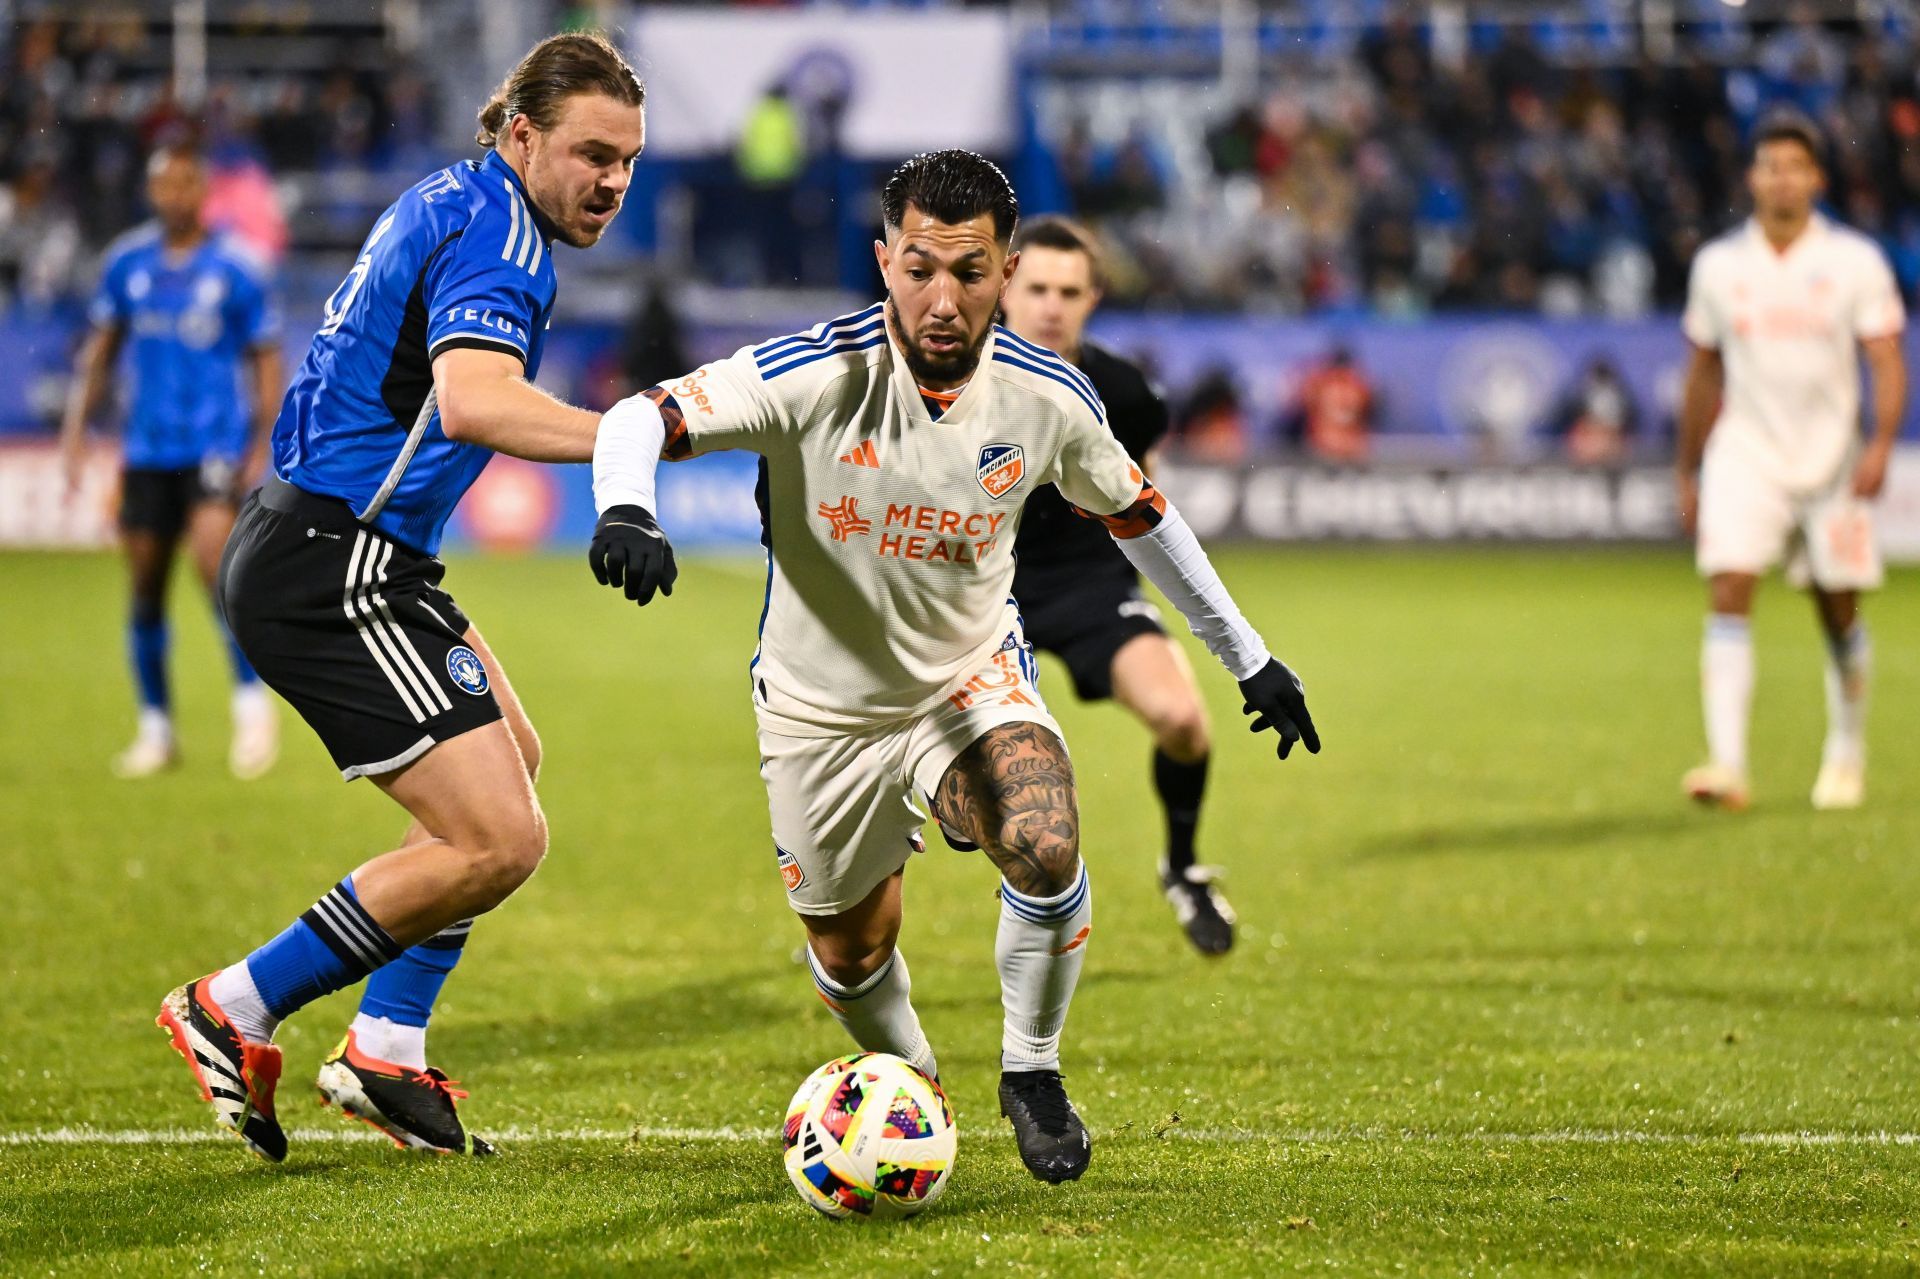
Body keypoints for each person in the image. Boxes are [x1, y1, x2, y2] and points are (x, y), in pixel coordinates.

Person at [590, 151, 1319, 1184]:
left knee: (1041, 833)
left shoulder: (1048, 397)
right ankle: (914, 1079)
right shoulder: (815, 372)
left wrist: (1249, 658)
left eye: (971, 273)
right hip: (818, 713)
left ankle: (1032, 1069)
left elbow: (1143, 518)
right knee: (851, 952)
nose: (944, 298)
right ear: (885, 259)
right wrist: (627, 505)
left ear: (1006, 269)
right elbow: (637, 417)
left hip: (966, 679)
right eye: (921, 267)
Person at [154, 32, 668, 1162]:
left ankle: (384, 1042)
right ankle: (232, 1005)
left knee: (511, 768)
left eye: (628, 160)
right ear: (522, 134)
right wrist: (638, 439)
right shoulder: (502, 238)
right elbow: (478, 400)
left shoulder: (463, 197)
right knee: (498, 838)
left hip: (354, 550)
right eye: (592, 153)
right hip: (337, 563)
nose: (614, 183)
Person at [997, 216, 1232, 955]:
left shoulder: (1125, 393)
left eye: (1069, 290)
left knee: (1186, 723)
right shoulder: (953, 375)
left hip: (1090, 585)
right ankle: (846, 909)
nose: (1051, 306)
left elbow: (1147, 502)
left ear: (1094, 296)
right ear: (1004, 286)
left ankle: (1184, 868)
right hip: (978, 591)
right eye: (1035, 287)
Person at [1675, 110, 1906, 812]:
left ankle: (1846, 750)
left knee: (1837, 610)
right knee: (1729, 589)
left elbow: (1886, 361)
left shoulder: (1853, 262)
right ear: (1752, 177)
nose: (1781, 177)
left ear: (1817, 179)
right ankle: (1729, 763)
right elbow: (1703, 372)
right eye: (1769, 165)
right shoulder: (1719, 266)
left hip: (1831, 459)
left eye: (1794, 167)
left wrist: (1879, 444)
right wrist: (1688, 468)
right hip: (1746, 454)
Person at [60, 141, 283, 780]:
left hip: (213, 443)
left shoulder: (237, 268)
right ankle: (157, 730)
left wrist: (260, 441)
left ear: (201, 189)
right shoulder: (126, 263)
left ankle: (250, 707)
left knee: (213, 566)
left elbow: (265, 359)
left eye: (186, 184)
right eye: (164, 185)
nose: (174, 197)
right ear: (152, 191)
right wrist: (76, 431)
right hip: (147, 448)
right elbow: (100, 353)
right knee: (144, 586)